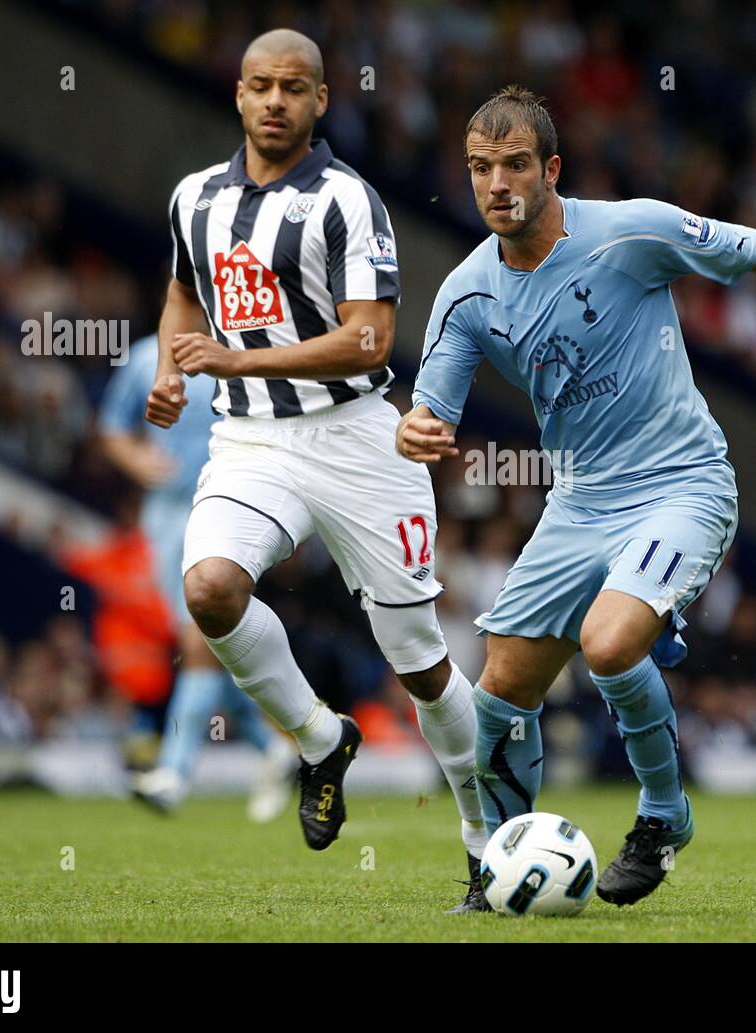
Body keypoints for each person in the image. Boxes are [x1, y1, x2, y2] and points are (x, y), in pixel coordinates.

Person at [399, 86, 756, 907]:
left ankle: (664, 814)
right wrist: (417, 430)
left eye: (516, 165)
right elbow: (429, 408)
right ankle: (498, 873)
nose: (497, 184)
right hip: (578, 502)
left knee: (610, 642)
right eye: (480, 168)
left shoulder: (630, 231)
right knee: (498, 695)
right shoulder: (466, 293)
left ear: (551, 169)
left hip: (682, 484)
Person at [145, 29, 485, 910]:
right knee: (211, 587)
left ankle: (485, 836)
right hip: (251, 442)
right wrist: (169, 369)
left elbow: (370, 336)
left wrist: (233, 359)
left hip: (358, 440)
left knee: (417, 659)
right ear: (238, 93)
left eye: (293, 88)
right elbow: (184, 285)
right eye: (259, 85)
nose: (274, 101)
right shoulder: (194, 198)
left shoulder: (346, 201)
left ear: (321, 101)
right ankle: (317, 738)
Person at [100, 333, 296, 821]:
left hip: (227, 514)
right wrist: (136, 459)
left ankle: (173, 772)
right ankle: (273, 748)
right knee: (210, 643)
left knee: (200, 640)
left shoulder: (244, 350)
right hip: (165, 519)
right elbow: (111, 426)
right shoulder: (146, 357)